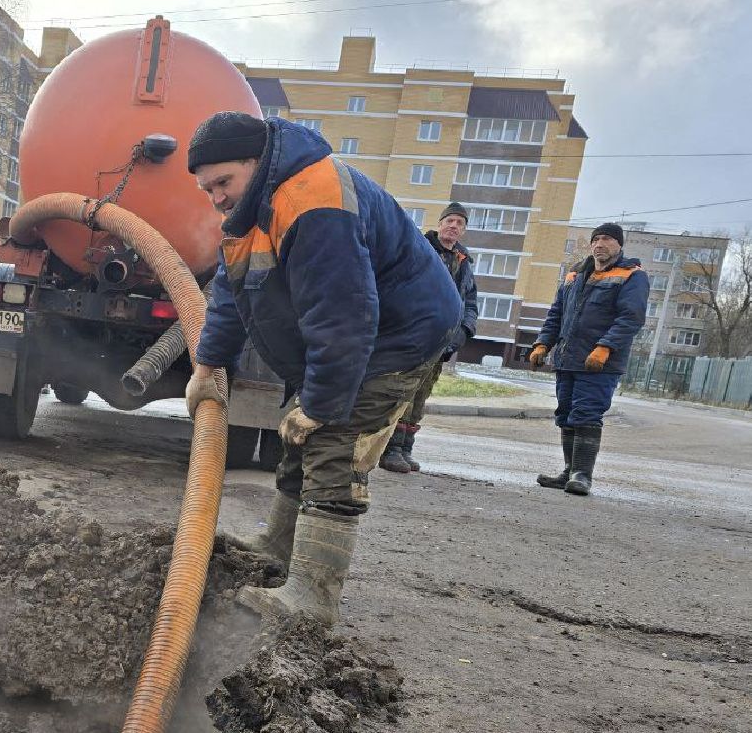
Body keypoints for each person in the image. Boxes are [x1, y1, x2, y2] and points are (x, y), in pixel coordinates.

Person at [184, 112, 462, 626]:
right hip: (350, 334)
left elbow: (345, 312)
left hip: (397, 335)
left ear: (257, 160)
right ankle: (279, 549)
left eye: (223, 182)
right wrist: (207, 365)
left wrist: (320, 402)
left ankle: (313, 597)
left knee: (334, 441)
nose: (217, 197)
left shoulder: (314, 201)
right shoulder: (252, 212)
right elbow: (230, 293)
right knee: (297, 438)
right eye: (207, 189)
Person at [528, 222, 648, 496]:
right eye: (596, 239)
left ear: (619, 245)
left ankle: (582, 475)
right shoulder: (575, 275)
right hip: (569, 358)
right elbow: (556, 313)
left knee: (586, 414)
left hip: (600, 363)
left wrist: (605, 347)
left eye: (607, 239)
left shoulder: (631, 275)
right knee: (566, 414)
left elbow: (631, 317)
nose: (600, 244)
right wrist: (542, 343)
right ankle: (569, 472)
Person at [380, 201, 479, 473]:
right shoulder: (421, 250)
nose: (454, 226)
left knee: (421, 396)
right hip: (415, 338)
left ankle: (405, 448)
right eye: (450, 221)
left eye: (460, 223)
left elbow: (470, 303)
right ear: (440, 224)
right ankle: (389, 449)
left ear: (463, 231)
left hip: (442, 342)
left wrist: (462, 333)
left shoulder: (464, 263)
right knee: (404, 393)